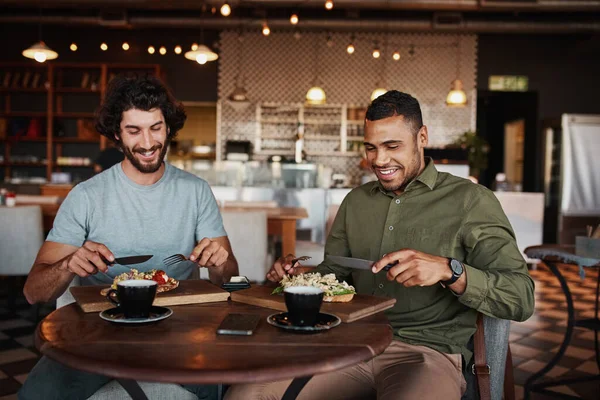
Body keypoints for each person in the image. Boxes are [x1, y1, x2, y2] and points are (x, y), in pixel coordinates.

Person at [225, 91, 535, 400]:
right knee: (245, 395)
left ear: (422, 136)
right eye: (371, 148)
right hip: (348, 344)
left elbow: (520, 298)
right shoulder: (356, 202)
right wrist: (296, 279)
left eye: (392, 146)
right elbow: (335, 275)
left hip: (426, 354)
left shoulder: (471, 201)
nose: (379, 160)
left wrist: (449, 271)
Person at [20, 75, 238, 400]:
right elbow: (33, 293)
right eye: (134, 130)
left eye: (156, 127)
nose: (148, 142)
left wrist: (220, 265)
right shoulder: (86, 196)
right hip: (98, 333)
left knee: (218, 387)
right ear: (117, 134)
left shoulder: (196, 191)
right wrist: (68, 264)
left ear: (169, 128)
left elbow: (230, 279)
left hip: (179, 332)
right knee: (37, 396)